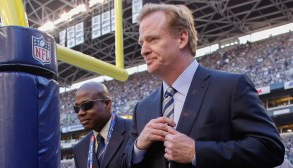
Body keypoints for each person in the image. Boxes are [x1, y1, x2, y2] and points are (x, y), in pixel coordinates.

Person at [121, 3, 285, 168]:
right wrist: (138, 147)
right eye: (142, 42)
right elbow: (125, 162)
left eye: (153, 39)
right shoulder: (142, 108)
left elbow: (270, 148)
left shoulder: (230, 87)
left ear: (182, 39)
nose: (143, 50)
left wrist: (196, 152)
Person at [73, 82, 131, 168]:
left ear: (107, 104)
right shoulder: (79, 149)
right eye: (76, 108)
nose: (80, 113)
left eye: (86, 105)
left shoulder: (134, 130)